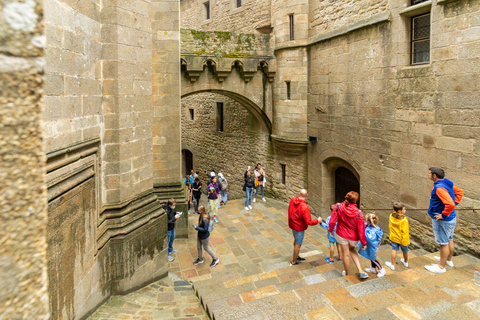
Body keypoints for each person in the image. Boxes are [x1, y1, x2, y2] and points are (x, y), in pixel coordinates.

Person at [425, 167, 463, 274]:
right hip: (451, 218)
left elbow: (450, 203)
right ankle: (448, 260)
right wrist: (453, 206)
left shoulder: (439, 188)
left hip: (443, 220)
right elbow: (460, 192)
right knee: (449, 239)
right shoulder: (447, 183)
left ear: (434, 176)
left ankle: (441, 266)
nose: (428, 175)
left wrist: (443, 214)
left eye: (429, 173)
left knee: (443, 243)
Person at [328, 191, 368, 279]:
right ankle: (360, 270)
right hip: (353, 237)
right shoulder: (359, 213)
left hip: (341, 234)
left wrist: (331, 229)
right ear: (355, 201)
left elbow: (332, 220)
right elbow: (361, 230)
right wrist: (363, 242)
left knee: (345, 254)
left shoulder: (338, 206)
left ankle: (347, 274)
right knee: (352, 249)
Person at [288, 189, 322, 265]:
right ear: (307, 195)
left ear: (299, 194)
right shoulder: (305, 207)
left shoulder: (293, 199)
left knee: (296, 240)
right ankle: (294, 261)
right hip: (299, 227)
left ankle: (296, 256)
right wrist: (318, 220)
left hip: (293, 224)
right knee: (298, 244)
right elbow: (309, 222)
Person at [385, 202, 410, 271]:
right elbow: (405, 231)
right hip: (402, 239)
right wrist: (405, 241)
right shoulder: (404, 220)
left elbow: (390, 226)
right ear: (399, 211)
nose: (405, 210)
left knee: (394, 250)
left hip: (394, 237)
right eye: (404, 209)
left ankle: (392, 265)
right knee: (405, 251)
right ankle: (405, 262)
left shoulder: (391, 216)